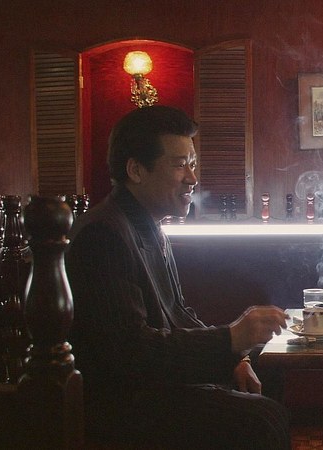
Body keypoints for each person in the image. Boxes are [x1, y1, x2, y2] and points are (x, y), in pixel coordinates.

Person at [65, 105, 291, 449]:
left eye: (193, 164)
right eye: (180, 164)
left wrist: (237, 355)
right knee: (263, 420)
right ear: (136, 170)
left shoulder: (148, 225)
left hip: (153, 386)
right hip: (125, 405)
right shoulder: (103, 235)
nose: (193, 178)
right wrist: (230, 338)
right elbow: (129, 353)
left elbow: (179, 313)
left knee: (269, 366)